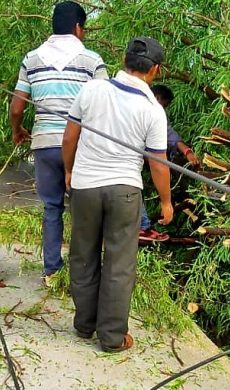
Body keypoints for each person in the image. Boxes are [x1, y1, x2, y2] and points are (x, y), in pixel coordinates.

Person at [62, 37, 173, 352]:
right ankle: (111, 338)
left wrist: (69, 171)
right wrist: (166, 202)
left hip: (84, 186)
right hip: (125, 190)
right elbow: (158, 164)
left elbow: (70, 137)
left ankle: (84, 325)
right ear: (155, 69)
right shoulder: (153, 109)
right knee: (119, 264)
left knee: (83, 255)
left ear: (124, 60)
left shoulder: (93, 89)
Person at [10, 1, 107, 286]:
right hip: (80, 146)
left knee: (52, 208)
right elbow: (105, 105)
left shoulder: (31, 58)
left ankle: (51, 270)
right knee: (84, 211)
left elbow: (17, 107)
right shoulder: (92, 60)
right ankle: (85, 273)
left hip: (44, 144)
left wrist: (18, 130)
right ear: (78, 28)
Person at [139, 85, 201, 242]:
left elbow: (168, 134)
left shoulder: (153, 112)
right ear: (157, 99)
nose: (164, 110)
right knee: (133, 187)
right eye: (164, 106)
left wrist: (187, 151)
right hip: (125, 162)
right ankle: (143, 227)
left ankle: (144, 226)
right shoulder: (142, 109)